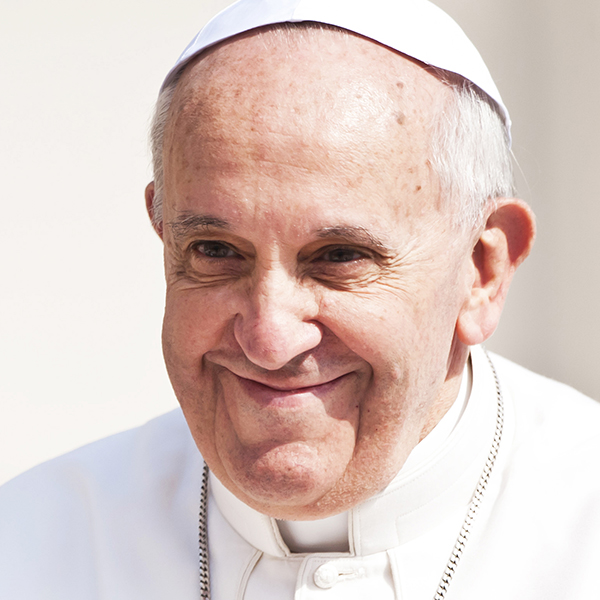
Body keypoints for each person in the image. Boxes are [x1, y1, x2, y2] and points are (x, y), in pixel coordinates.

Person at [1, 0, 599, 598]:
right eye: (215, 250)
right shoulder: (31, 545)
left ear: (482, 270)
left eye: (338, 256)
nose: (269, 340)